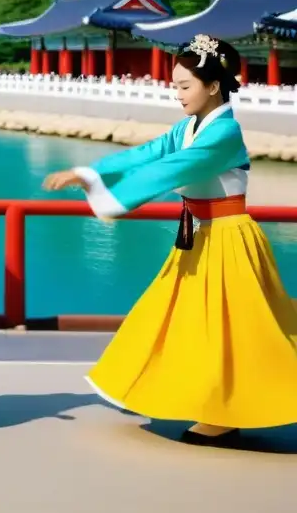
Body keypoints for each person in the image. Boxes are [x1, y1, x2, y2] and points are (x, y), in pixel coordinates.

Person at [43, 34, 297, 446]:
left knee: (235, 329)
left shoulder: (223, 133)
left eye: (184, 86)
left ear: (213, 86)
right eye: (174, 85)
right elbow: (148, 155)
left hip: (228, 238)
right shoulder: (190, 127)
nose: (176, 94)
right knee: (175, 319)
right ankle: (202, 400)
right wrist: (91, 172)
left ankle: (222, 413)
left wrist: (112, 199)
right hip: (200, 236)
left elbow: (170, 170)